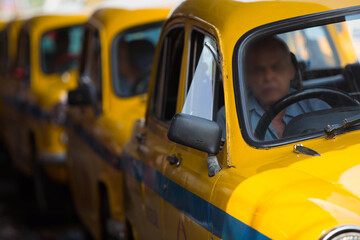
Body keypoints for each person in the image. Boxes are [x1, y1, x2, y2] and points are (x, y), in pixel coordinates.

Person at [217, 36, 329, 140]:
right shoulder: (230, 118)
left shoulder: (317, 109)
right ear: (247, 78)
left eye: (276, 67)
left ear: (291, 71)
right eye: (259, 70)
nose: (268, 77)